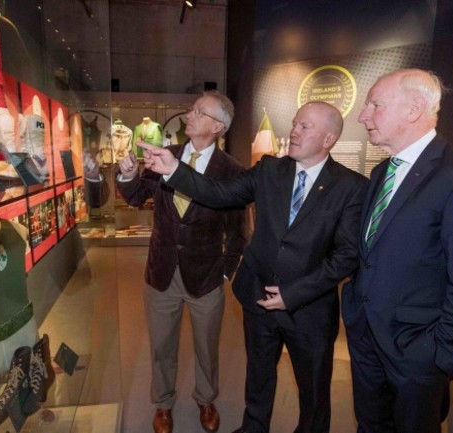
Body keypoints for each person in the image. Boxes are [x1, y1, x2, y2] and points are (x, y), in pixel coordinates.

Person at [138, 101, 368, 433]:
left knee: (313, 393)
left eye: (305, 126)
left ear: (329, 139)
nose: (294, 131)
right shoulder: (269, 170)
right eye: (294, 123)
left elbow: (346, 256)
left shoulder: (351, 187)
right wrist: (175, 170)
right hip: (258, 300)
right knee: (258, 380)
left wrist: (293, 294)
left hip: (309, 310)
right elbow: (218, 193)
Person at [341, 68, 453, 433]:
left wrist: (440, 360)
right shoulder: (383, 170)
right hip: (366, 337)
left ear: (414, 108)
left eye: (374, 104)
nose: (361, 114)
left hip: (417, 354)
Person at [116, 91, 247, 433]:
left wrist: (225, 271)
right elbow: (135, 196)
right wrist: (129, 174)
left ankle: (206, 398)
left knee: (207, 346)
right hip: (161, 272)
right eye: (191, 109)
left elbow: (237, 232)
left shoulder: (232, 171)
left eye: (198, 112)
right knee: (161, 346)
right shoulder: (166, 155)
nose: (188, 115)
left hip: (206, 277)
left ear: (217, 126)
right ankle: (163, 403)